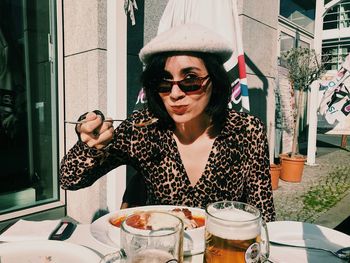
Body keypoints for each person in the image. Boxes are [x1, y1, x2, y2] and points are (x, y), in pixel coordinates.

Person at [59, 24, 276, 222]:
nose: (174, 94)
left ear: (215, 81)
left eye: (190, 80)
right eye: (163, 82)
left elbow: (263, 213)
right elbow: (69, 179)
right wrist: (90, 145)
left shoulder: (247, 130)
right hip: (159, 247)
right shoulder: (142, 129)